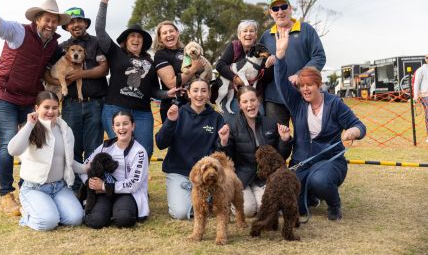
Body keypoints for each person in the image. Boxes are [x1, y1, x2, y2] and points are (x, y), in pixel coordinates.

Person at [0, 0, 70, 216]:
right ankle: (5, 195)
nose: (50, 24)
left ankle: (28, 187)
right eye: (46, 20)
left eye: (54, 21)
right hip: (3, 94)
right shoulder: (17, 32)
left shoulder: (53, 45)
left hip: (30, 96)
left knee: (37, 140)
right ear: (37, 19)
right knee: (9, 143)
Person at [274, 30, 366, 220]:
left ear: (319, 84)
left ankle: (334, 205)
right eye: (301, 86)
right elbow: (282, 83)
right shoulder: (297, 103)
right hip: (301, 163)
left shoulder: (334, 104)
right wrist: (280, 56)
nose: (305, 89)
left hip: (330, 162)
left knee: (319, 180)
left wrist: (353, 131)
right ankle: (310, 197)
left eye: (309, 85)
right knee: (291, 206)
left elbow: (359, 125)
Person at [95, 0, 175, 160]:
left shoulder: (150, 62)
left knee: (145, 151)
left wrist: (167, 93)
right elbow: (100, 31)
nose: (136, 39)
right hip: (115, 107)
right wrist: (104, 2)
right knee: (120, 150)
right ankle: (120, 187)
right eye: (132, 36)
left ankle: (138, 187)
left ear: (143, 42)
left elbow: (154, 91)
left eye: (139, 37)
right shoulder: (116, 53)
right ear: (125, 40)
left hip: (143, 113)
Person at [8, 91, 85, 231]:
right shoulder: (31, 128)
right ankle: (27, 212)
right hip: (34, 188)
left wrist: (86, 168)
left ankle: (50, 209)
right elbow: (13, 150)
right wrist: (29, 125)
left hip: (59, 187)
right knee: (47, 223)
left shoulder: (65, 129)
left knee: (76, 219)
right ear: (37, 108)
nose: (51, 111)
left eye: (55, 108)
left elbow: (69, 161)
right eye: (46, 107)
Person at [155, 78, 226, 220]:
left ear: (208, 94)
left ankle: (202, 201)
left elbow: (219, 153)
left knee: (214, 208)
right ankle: (195, 201)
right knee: (181, 213)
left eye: (203, 91)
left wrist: (223, 142)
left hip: (205, 176)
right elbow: (160, 143)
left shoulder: (216, 118)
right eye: (195, 90)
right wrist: (170, 121)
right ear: (188, 93)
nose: (199, 95)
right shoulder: (178, 113)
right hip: (179, 172)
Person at [218, 86, 292, 217]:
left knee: (270, 208)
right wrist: (224, 142)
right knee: (248, 210)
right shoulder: (231, 124)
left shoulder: (270, 123)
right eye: (245, 102)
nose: (250, 105)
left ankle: (258, 196)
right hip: (243, 177)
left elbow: (280, 157)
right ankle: (234, 199)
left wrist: (284, 140)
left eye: (252, 100)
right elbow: (227, 158)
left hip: (264, 178)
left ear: (258, 101)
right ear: (239, 105)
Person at [57, 7, 109, 191]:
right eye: (71, 22)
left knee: (94, 148)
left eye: (79, 20)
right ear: (66, 26)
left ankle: (93, 189)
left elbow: (104, 69)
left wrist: (80, 74)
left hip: (95, 102)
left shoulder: (97, 43)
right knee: (71, 147)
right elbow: (49, 72)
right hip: (70, 104)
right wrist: (59, 80)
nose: (75, 24)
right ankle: (74, 189)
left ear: (86, 23)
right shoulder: (61, 46)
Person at [259, 0, 326, 126]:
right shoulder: (266, 36)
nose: (280, 11)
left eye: (283, 6)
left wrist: (300, 75)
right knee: (276, 140)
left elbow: (319, 56)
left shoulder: (306, 30)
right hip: (274, 99)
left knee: (307, 136)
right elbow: (259, 66)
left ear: (290, 9)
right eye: (275, 8)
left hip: (303, 95)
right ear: (270, 13)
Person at [82, 110, 149, 228]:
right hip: (104, 193)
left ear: (133, 126)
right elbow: (85, 167)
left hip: (128, 193)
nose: (121, 128)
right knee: (96, 221)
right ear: (113, 128)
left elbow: (134, 183)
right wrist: (90, 183)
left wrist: (104, 186)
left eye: (125, 123)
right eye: (117, 125)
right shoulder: (105, 147)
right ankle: (107, 211)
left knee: (124, 219)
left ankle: (117, 210)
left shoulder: (139, 152)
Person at [216, 20, 272, 126]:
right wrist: (235, 78)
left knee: (259, 127)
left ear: (256, 35)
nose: (248, 34)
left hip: (255, 98)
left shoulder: (261, 50)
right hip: (234, 98)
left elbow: (267, 78)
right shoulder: (234, 46)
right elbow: (220, 65)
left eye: (252, 31)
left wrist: (268, 67)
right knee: (231, 127)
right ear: (239, 35)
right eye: (245, 31)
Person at [153, 21, 205, 123]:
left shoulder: (187, 50)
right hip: (174, 106)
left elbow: (202, 69)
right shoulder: (161, 55)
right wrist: (194, 68)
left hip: (196, 103)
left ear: (177, 33)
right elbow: (172, 83)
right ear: (160, 38)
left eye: (171, 31)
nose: (168, 34)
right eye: (164, 33)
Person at [414, 54, 428, 143]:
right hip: (425, 95)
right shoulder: (421, 70)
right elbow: (416, 83)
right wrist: (416, 96)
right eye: (427, 57)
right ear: (425, 59)